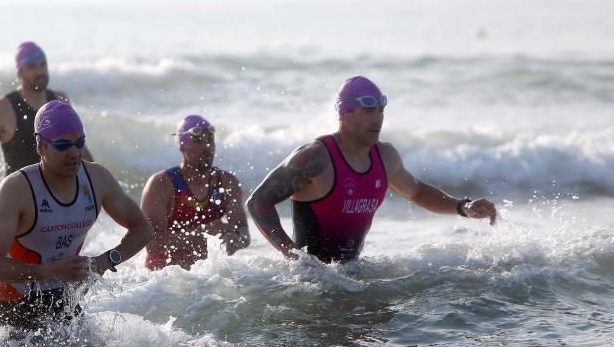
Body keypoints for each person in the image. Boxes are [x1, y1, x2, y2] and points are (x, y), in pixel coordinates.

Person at [246, 76, 496, 263]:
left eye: (380, 110)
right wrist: (295, 259)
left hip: (351, 275)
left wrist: (463, 207)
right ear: (344, 114)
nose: (377, 119)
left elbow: (417, 192)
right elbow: (258, 202)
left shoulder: (385, 157)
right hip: (312, 283)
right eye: (368, 111)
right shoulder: (316, 158)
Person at [0, 101, 152, 331]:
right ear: (41, 146)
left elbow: (143, 229)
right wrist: (49, 272)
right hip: (14, 307)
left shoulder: (97, 179)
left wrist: (104, 262)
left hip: (65, 301)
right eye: (63, 145)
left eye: (80, 143)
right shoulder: (16, 189)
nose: (74, 153)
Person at [0, 41, 93, 241]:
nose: (40, 71)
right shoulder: (1, 109)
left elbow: (78, 147)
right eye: (32, 67)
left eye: (43, 65)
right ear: (20, 72)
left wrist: (98, 186)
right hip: (18, 201)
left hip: (56, 199)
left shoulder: (59, 101)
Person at [140, 115, 250, 269]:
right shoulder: (162, 184)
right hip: (165, 279)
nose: (207, 147)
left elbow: (243, 233)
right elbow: (151, 243)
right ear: (183, 146)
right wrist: (202, 235)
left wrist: (233, 239)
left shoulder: (226, 182)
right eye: (198, 141)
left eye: (210, 140)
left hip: (210, 276)